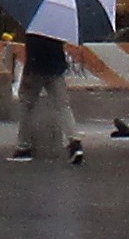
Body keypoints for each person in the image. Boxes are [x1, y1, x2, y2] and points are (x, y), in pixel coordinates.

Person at [10, 32, 84, 166]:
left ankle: (23, 147)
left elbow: (31, 48)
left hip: (35, 69)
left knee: (26, 106)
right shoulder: (58, 25)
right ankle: (75, 143)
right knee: (62, 106)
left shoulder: (35, 24)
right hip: (56, 68)